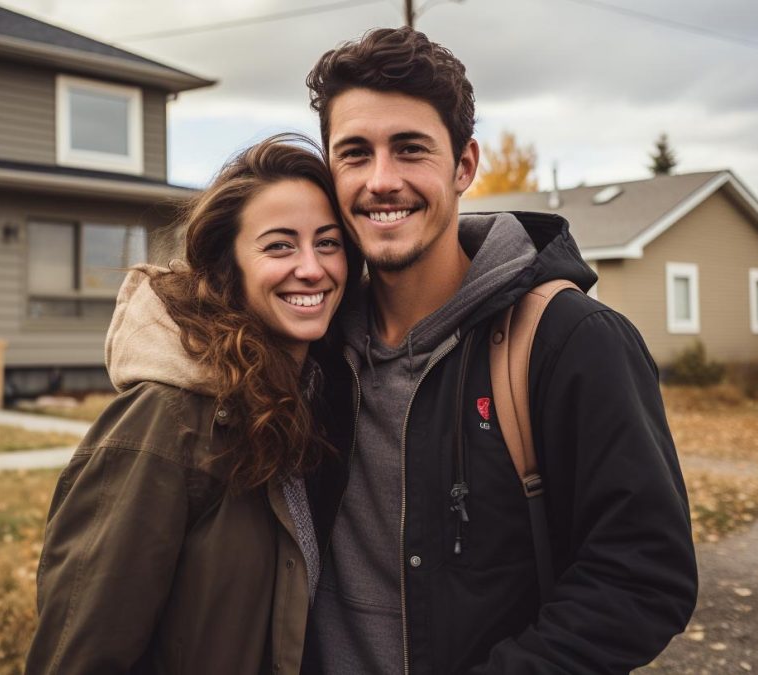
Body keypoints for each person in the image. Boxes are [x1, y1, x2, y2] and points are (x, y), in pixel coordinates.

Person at [301, 27, 698, 674]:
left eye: (410, 149)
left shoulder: (571, 341)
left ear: (464, 165)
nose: (381, 179)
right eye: (354, 152)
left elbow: (644, 576)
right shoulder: (311, 350)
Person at [25, 134, 360, 675]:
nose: (312, 267)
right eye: (278, 245)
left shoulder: (315, 401)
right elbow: (81, 653)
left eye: (328, 242)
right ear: (229, 265)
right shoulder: (167, 420)